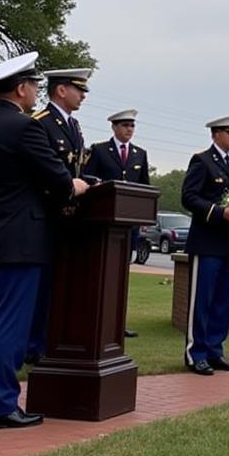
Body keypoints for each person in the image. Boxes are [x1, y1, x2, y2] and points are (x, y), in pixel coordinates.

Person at [0, 52, 88, 429]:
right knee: (9, 324)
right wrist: (76, 185)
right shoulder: (24, 127)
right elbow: (58, 179)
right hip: (18, 239)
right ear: (21, 88)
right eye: (33, 85)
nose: (36, 92)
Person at [27, 66, 93, 360]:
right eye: (79, 90)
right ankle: (33, 347)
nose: (83, 96)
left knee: (57, 285)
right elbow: (42, 172)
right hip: (46, 215)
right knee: (39, 287)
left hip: (70, 217)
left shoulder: (74, 126)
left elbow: (76, 169)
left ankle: (50, 340)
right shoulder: (40, 123)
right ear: (61, 90)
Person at [181, 114, 229, 375]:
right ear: (216, 134)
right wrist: (220, 213)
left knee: (223, 301)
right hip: (207, 242)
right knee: (203, 300)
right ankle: (195, 353)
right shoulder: (202, 160)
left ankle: (215, 350)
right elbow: (189, 197)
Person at [86, 108, 150, 338]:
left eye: (132, 126)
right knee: (101, 273)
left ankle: (117, 323)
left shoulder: (139, 154)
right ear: (114, 127)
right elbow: (87, 178)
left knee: (121, 275)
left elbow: (144, 187)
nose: (129, 130)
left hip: (127, 226)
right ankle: (95, 320)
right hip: (104, 223)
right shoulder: (100, 150)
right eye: (125, 126)